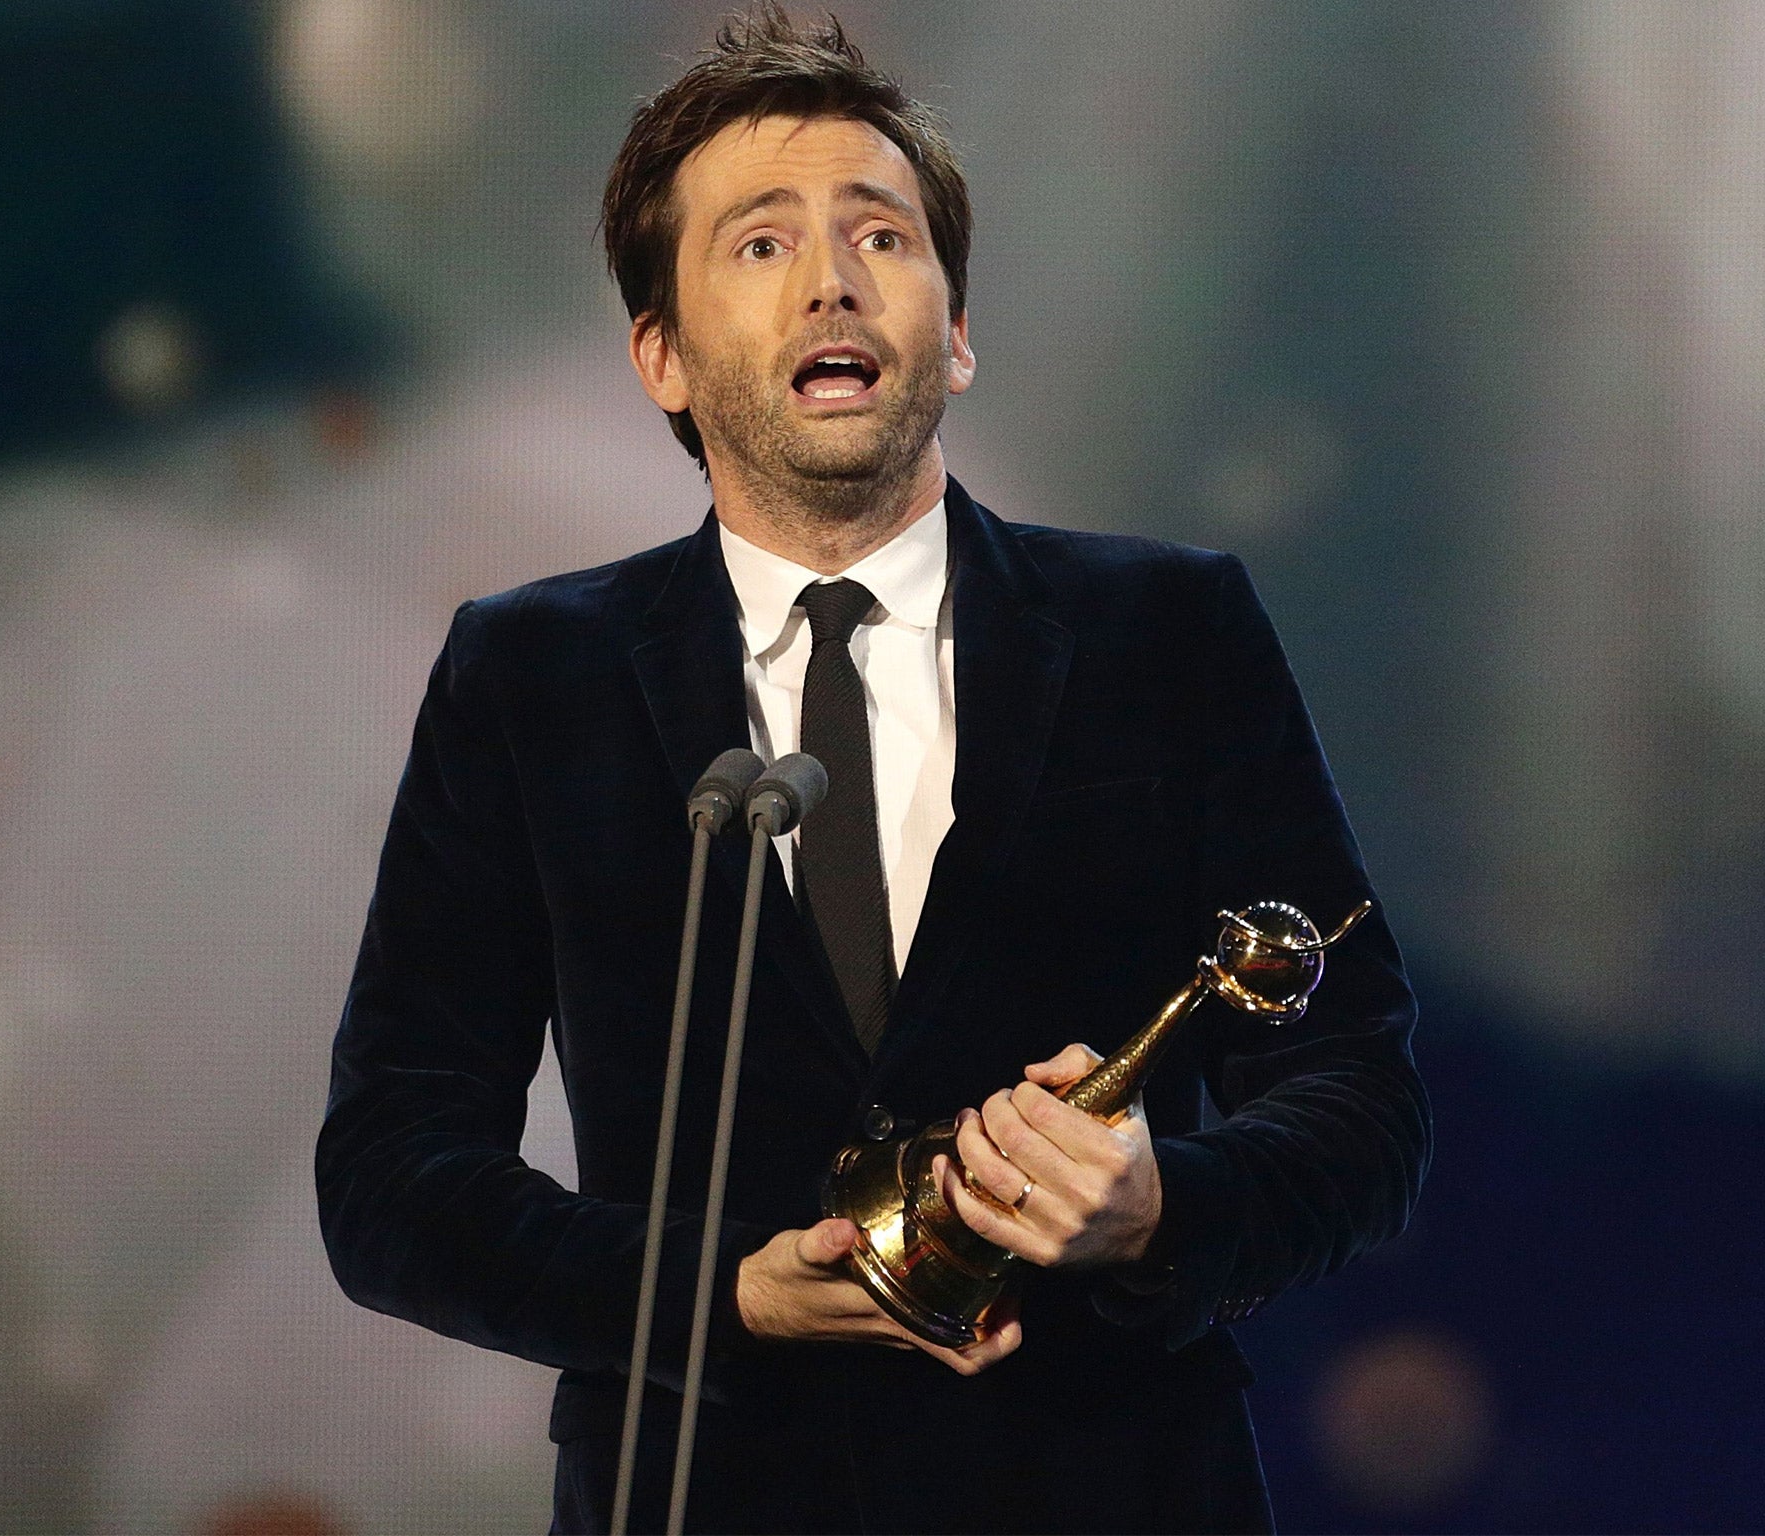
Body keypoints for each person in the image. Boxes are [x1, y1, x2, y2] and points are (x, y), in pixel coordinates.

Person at [316, 7, 1430, 1532]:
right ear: (662, 356)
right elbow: (391, 1174)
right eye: (760, 246)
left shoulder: (1170, 631)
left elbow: (1356, 1091)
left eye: (882, 237)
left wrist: (1165, 1205)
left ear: (955, 334)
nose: (833, 275)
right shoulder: (531, 678)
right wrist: (724, 1295)